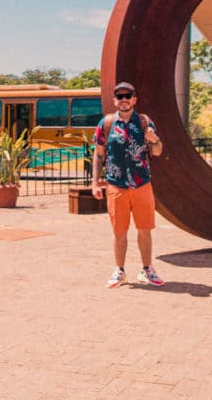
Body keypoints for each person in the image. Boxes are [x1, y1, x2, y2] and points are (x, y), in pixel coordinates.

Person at [91, 82, 165, 288]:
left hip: (141, 184)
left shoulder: (144, 122)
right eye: (119, 96)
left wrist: (154, 139)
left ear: (134, 99)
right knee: (119, 231)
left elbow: (158, 151)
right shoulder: (105, 124)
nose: (123, 100)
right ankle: (119, 270)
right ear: (115, 100)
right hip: (116, 185)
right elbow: (98, 155)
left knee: (144, 228)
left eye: (128, 96)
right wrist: (95, 183)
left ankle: (147, 269)